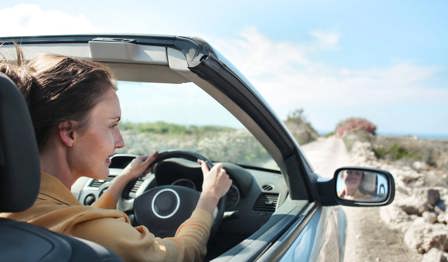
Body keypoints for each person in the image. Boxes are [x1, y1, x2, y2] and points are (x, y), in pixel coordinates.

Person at [0, 50, 232, 261]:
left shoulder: (23, 211)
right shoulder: (95, 232)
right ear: (69, 133)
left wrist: (122, 180)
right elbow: (180, 254)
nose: (120, 142)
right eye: (112, 125)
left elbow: (82, 218)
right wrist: (208, 199)